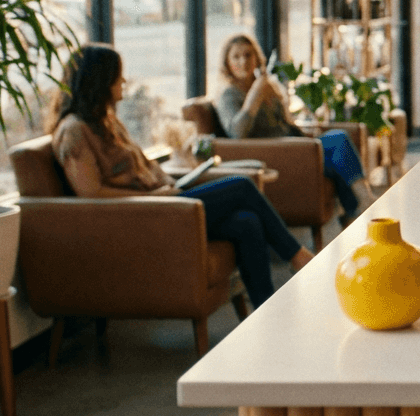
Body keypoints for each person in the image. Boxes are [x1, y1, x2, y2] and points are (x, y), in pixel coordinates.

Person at [46, 44, 313, 308]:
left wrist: (169, 181)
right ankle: (297, 255)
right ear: (99, 80)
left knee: (247, 222)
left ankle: (266, 309)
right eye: (118, 76)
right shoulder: (74, 132)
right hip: (145, 215)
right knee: (241, 185)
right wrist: (154, 196)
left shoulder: (107, 121)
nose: (124, 81)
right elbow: (91, 193)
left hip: (165, 202)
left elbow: (143, 166)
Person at [215, 33, 373, 228]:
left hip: (297, 146)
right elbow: (236, 133)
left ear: (256, 58)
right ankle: (365, 203)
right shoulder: (229, 95)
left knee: (338, 154)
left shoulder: (264, 85)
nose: (243, 61)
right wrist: (255, 96)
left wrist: (303, 132)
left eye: (248, 55)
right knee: (339, 139)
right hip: (280, 156)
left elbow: (284, 124)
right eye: (236, 57)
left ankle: (354, 214)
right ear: (227, 63)